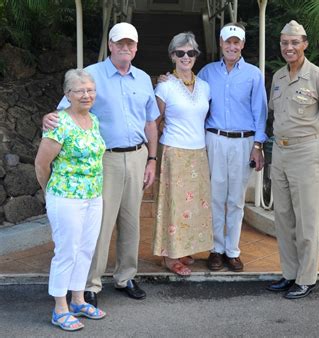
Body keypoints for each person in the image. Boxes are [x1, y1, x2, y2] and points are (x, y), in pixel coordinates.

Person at [42, 22, 159, 306]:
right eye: (120, 43)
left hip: (137, 155)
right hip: (103, 158)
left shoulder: (143, 78)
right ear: (110, 45)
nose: (126, 48)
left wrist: (152, 159)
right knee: (101, 224)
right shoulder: (91, 75)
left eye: (130, 44)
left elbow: (150, 122)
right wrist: (47, 118)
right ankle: (90, 285)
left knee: (131, 221)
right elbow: (63, 111)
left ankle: (125, 276)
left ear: (136, 47)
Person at [265, 20, 319, 299]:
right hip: (281, 152)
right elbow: (276, 115)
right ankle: (289, 274)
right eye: (285, 43)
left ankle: (306, 278)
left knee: (306, 219)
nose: (289, 47)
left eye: (295, 42)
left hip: (307, 152)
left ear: (305, 44)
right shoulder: (278, 77)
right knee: (283, 218)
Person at [35, 69, 107, 331]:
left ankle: (78, 299)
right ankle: (60, 307)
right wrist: (50, 192)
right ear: (67, 94)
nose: (86, 95)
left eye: (90, 90)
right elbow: (41, 164)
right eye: (80, 90)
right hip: (65, 196)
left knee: (86, 248)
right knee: (66, 251)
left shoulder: (94, 120)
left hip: (93, 195)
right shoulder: (59, 123)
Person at [198, 23, 268, 272]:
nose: (232, 46)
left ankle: (232, 250)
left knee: (236, 199)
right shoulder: (206, 73)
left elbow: (260, 112)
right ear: (220, 43)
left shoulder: (253, 74)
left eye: (236, 42)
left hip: (243, 141)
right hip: (215, 139)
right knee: (216, 197)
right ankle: (216, 249)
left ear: (242, 45)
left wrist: (258, 145)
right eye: (228, 41)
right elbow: (193, 99)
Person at [153, 32, 213, 275]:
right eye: (180, 53)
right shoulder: (165, 86)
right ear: (172, 56)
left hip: (198, 153)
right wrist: (153, 156)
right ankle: (170, 257)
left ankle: (185, 248)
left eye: (190, 52)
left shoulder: (205, 87)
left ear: (196, 56)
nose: (185, 57)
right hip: (174, 152)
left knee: (194, 206)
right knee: (174, 205)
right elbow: (155, 121)